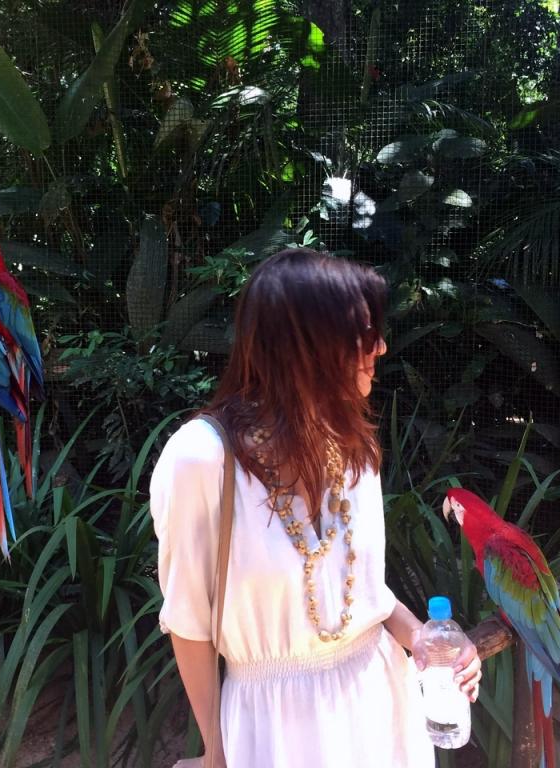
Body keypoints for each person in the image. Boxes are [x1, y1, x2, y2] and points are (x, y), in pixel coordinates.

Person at [149, 248, 482, 768]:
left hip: (379, 710)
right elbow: (189, 624)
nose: (381, 347)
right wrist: (217, 751)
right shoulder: (202, 458)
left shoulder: (353, 444)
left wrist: (425, 640)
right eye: (365, 334)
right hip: (273, 731)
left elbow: (367, 596)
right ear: (310, 348)